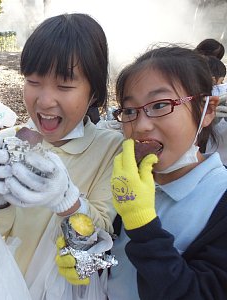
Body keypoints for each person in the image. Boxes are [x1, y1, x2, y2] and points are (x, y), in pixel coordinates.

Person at [0, 13, 123, 298]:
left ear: (94, 93)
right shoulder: (4, 142)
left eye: (64, 86)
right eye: (34, 81)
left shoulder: (111, 149)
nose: (45, 100)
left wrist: (67, 199)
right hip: (1, 285)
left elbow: (101, 234)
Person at [105, 45, 227, 299]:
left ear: (208, 110)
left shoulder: (220, 200)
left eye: (160, 105)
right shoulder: (129, 181)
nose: (140, 126)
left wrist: (143, 226)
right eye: (129, 111)